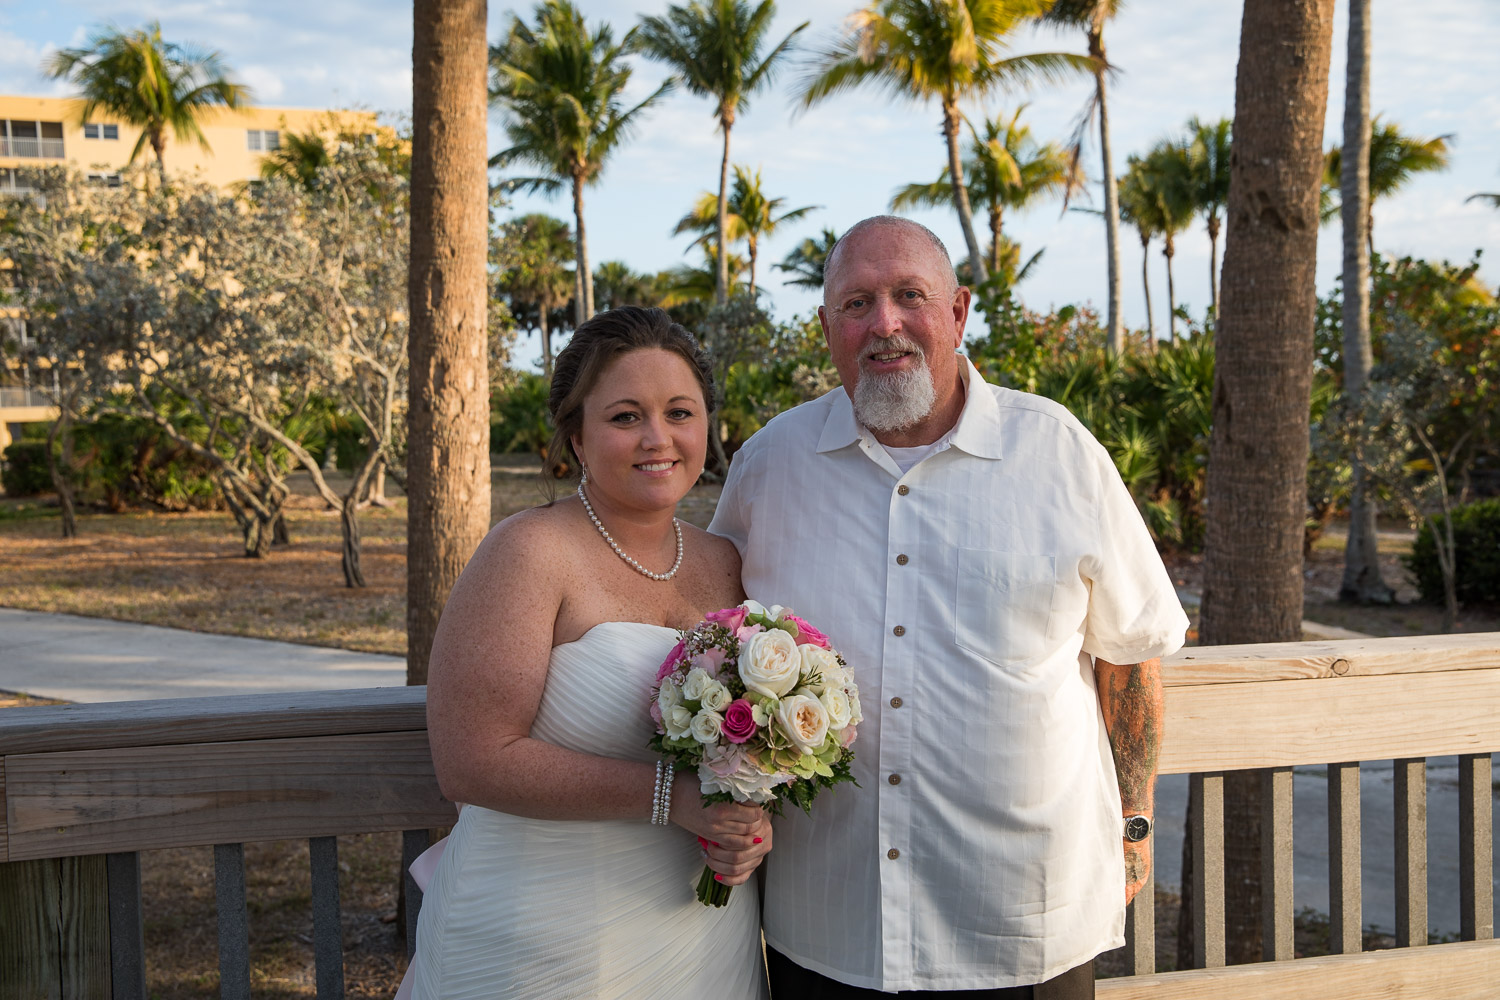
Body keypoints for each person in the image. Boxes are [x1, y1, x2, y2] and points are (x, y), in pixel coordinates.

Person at [710, 216, 1189, 999]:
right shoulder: (769, 465)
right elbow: (712, 638)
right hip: (830, 929)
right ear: (825, 326)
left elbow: (1130, 654)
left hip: (1023, 925)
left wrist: (1133, 823)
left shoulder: (1059, 453)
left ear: (959, 312)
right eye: (857, 303)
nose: (884, 324)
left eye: (910, 296)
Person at [407, 307, 771, 1000]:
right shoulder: (529, 552)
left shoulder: (727, 564)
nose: (657, 438)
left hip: (701, 939)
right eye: (626, 416)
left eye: (680, 412)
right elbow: (471, 760)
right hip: (541, 932)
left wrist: (751, 819)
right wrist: (676, 800)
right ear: (576, 435)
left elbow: (746, 742)